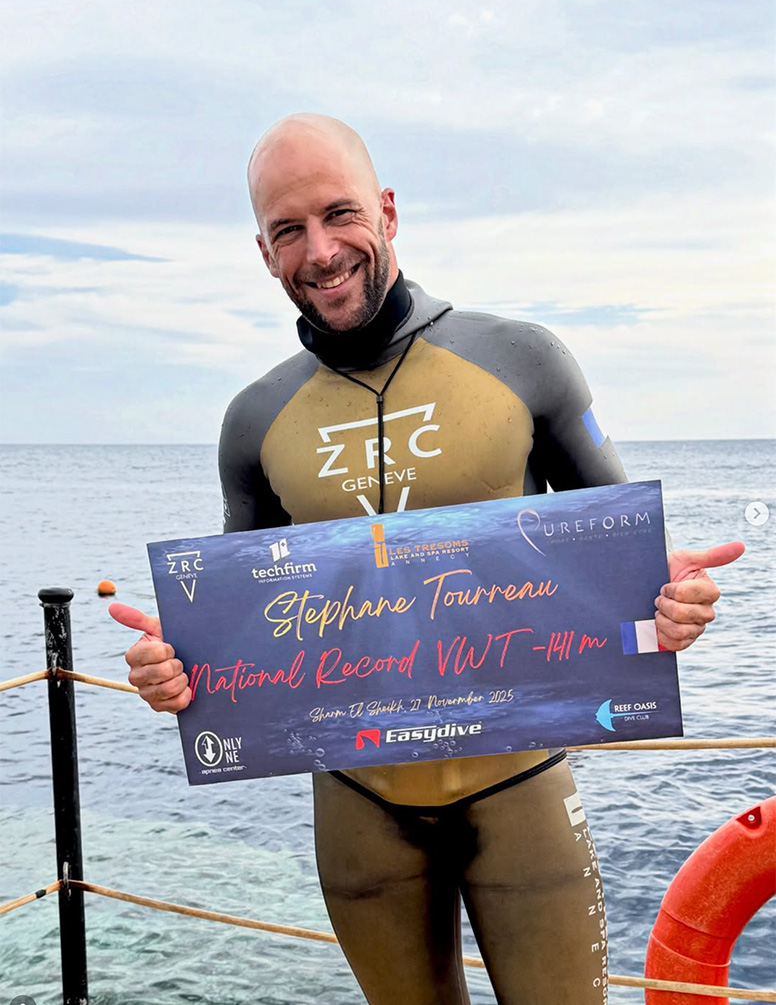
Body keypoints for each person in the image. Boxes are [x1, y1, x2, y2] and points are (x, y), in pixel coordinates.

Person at [110, 114, 744, 1004]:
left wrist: (675, 602)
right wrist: (173, 669)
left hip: (518, 783)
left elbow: (632, 573)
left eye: (340, 214)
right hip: (358, 808)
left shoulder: (522, 360)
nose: (321, 251)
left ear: (390, 211)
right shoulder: (254, 421)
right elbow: (239, 630)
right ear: (264, 251)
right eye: (289, 231)